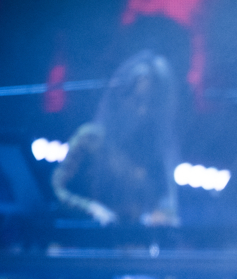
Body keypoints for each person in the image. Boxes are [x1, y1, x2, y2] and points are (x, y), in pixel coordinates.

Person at [52, 50, 179, 227]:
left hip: (133, 248)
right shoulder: (90, 137)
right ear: (120, 95)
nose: (142, 111)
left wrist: (161, 217)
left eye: (150, 104)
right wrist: (91, 208)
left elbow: (167, 204)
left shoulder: (155, 152)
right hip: (84, 243)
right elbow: (56, 189)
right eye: (137, 100)